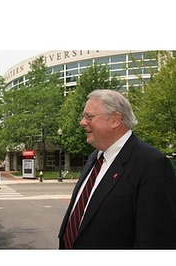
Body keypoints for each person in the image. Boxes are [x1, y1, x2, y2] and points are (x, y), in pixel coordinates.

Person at [59, 89, 176, 249]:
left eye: (89, 117)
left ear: (115, 120)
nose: (82, 122)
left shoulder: (151, 164)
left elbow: (155, 242)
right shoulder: (95, 157)